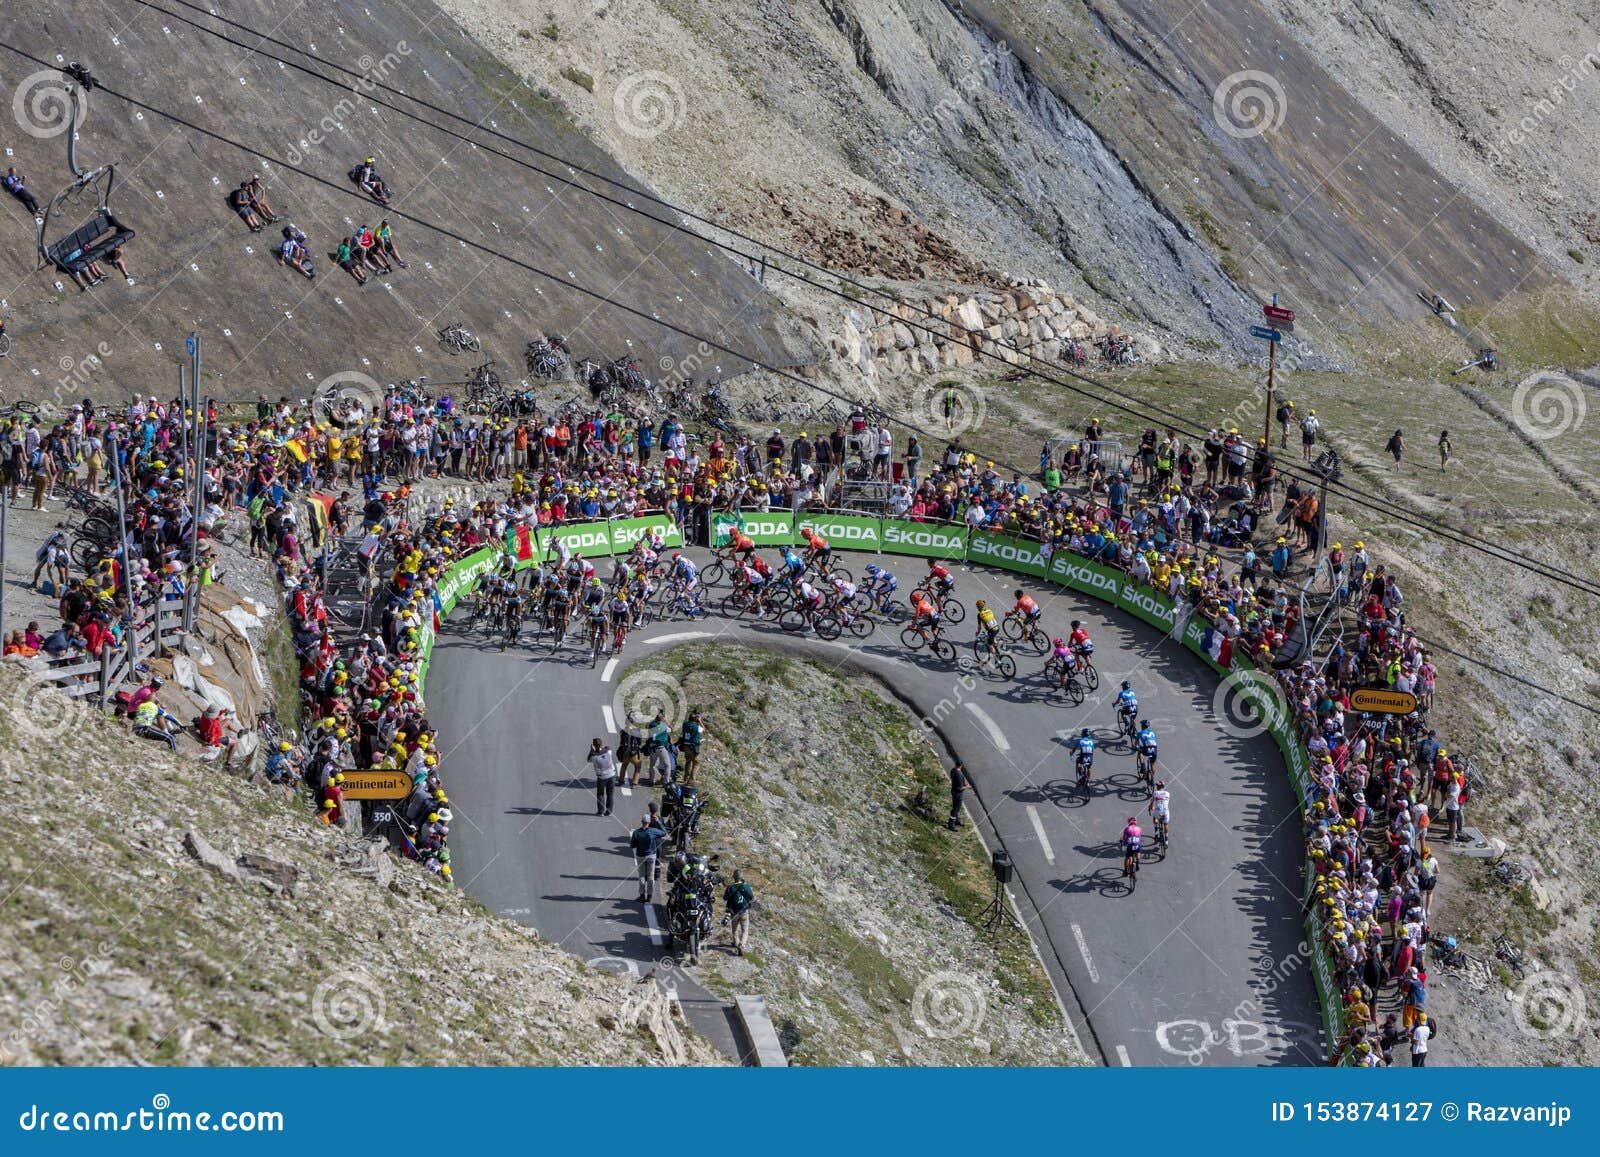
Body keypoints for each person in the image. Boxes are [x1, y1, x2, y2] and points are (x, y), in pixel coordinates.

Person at [631, 815, 665, 902]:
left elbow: (632, 845)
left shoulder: (636, 833)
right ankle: (649, 896)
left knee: (642, 876)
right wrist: (658, 822)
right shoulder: (653, 831)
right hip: (651, 855)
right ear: (649, 822)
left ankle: (642, 895)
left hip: (640, 855)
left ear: (642, 822)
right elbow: (664, 832)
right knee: (651, 876)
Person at [722, 869, 754, 955]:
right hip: (744, 911)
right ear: (741, 877)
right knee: (745, 930)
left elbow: (725, 898)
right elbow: (751, 897)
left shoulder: (730, 887)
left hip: (733, 912)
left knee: (734, 930)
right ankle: (742, 945)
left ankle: (736, 943)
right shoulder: (746, 886)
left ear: (734, 878)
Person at [588, 737, 617, 816]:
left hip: (602, 777)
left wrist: (592, 750)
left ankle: (601, 811)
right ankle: (609, 811)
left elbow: (588, 760)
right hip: (612, 775)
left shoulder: (594, 756)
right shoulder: (608, 751)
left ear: (593, 745)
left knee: (600, 793)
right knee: (610, 794)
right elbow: (606, 747)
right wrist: (599, 747)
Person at [678, 710, 704, 782]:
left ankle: (685, 778)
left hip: (686, 746)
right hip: (693, 747)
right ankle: (691, 780)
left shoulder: (685, 724)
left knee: (688, 761)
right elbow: (703, 729)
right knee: (696, 763)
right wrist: (700, 721)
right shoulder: (696, 727)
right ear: (695, 719)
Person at [947, 760, 972, 831]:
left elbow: (957, 783)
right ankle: (951, 824)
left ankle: (956, 820)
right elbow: (960, 788)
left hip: (953, 791)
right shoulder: (959, 775)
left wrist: (964, 784)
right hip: (958, 794)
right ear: (961, 766)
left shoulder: (953, 770)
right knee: (955, 809)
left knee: (956, 807)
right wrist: (967, 787)